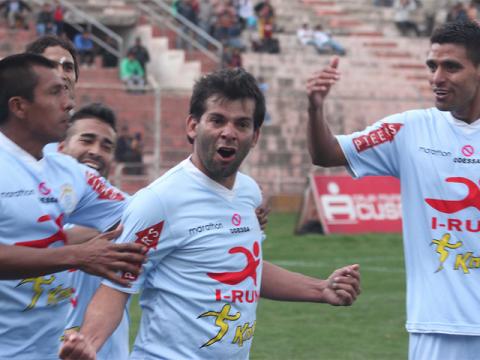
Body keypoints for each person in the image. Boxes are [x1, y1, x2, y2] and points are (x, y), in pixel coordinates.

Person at [59, 68, 361, 360]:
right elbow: (116, 287)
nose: (228, 132)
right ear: (193, 126)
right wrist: (89, 343)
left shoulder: (249, 193)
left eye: (241, 124)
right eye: (217, 120)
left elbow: (245, 267)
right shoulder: (158, 202)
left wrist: (321, 289)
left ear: (254, 136)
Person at [305, 20, 480, 359]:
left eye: (452, 67)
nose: (437, 77)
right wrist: (315, 108)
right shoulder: (408, 129)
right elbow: (327, 154)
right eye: (433, 66)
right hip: (437, 328)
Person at [0, 53, 145, 359]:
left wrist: (223, 214)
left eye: (67, 92)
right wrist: (76, 256)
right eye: (55, 92)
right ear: (19, 106)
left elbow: (139, 213)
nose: (68, 103)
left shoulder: (69, 172)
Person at [59, 103, 130, 360]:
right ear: (61, 148)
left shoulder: (126, 210)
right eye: (86, 140)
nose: (96, 152)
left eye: (106, 146)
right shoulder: (34, 207)